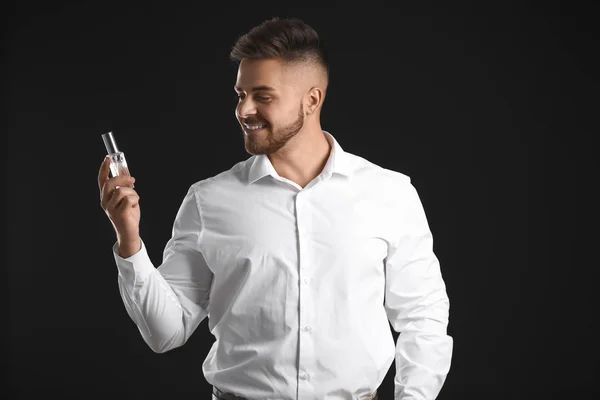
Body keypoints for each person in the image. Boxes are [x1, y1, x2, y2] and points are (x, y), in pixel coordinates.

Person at [98, 17, 453, 400]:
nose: (244, 110)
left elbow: (423, 318)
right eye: (240, 94)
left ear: (312, 99)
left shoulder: (389, 193)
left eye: (262, 96)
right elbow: (166, 332)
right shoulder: (209, 200)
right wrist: (129, 238)